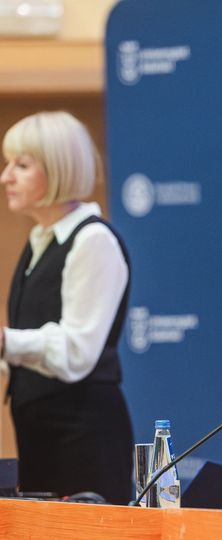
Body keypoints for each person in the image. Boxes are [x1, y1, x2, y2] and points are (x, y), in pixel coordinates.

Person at [0, 111, 134, 504]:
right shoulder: (38, 241)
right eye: (8, 164)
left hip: (83, 439)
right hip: (40, 435)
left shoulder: (93, 240)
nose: (6, 177)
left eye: (21, 165)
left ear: (58, 169)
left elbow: (77, 351)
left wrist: (6, 341)